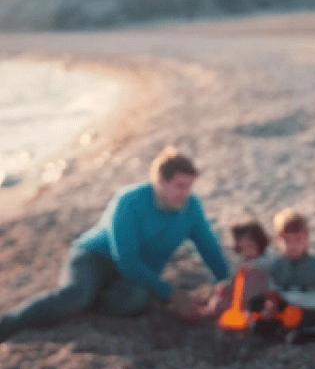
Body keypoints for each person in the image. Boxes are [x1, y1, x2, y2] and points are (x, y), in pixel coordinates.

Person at [0, 146, 230, 343]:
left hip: (136, 270)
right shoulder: (129, 201)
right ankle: (7, 324)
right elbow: (126, 259)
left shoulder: (191, 207)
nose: (186, 193)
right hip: (95, 256)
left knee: (135, 302)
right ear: (160, 183)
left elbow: (208, 246)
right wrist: (171, 294)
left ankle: (93, 297)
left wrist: (224, 282)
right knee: (74, 296)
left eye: (189, 186)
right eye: (180, 186)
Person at [250, 208, 315, 343]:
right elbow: (274, 292)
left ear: (307, 238)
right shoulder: (278, 266)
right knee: (257, 308)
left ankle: (306, 333)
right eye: (287, 240)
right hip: (291, 309)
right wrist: (271, 306)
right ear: (278, 240)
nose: (293, 245)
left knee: (305, 329)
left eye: (298, 240)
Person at [181, 219, 271, 322]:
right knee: (220, 293)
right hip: (243, 292)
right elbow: (237, 280)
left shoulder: (264, 261)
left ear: (260, 242)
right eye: (243, 248)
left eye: (251, 246)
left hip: (254, 298)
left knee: (223, 303)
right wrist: (228, 287)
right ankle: (205, 308)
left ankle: (205, 312)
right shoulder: (243, 260)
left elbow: (259, 286)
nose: (247, 252)